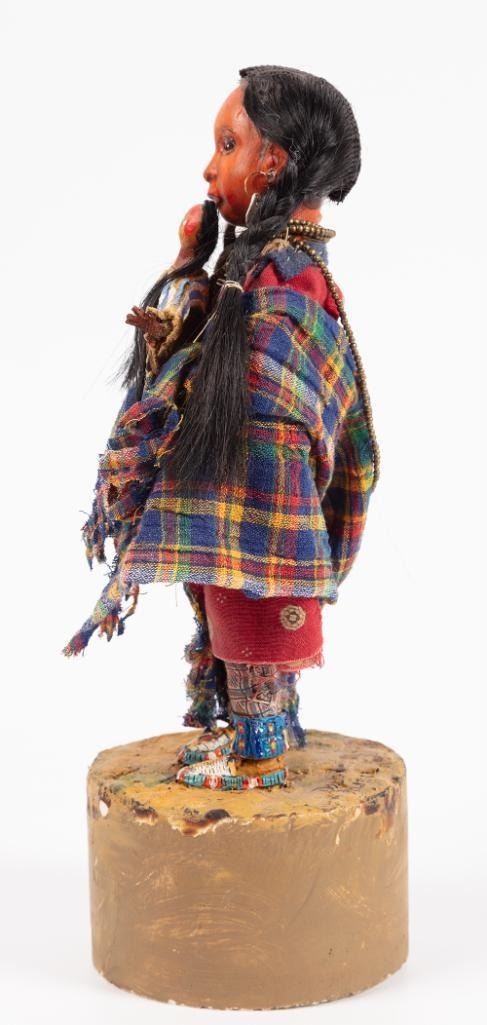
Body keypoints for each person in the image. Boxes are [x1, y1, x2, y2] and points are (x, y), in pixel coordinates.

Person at [62, 65, 380, 792]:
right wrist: (185, 263)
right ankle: (260, 727)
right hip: (236, 488)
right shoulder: (261, 267)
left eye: (227, 144)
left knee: (252, 616)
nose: (210, 167)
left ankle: (260, 748)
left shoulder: (291, 278)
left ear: (271, 161)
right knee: (231, 610)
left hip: (261, 495)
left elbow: (283, 384)